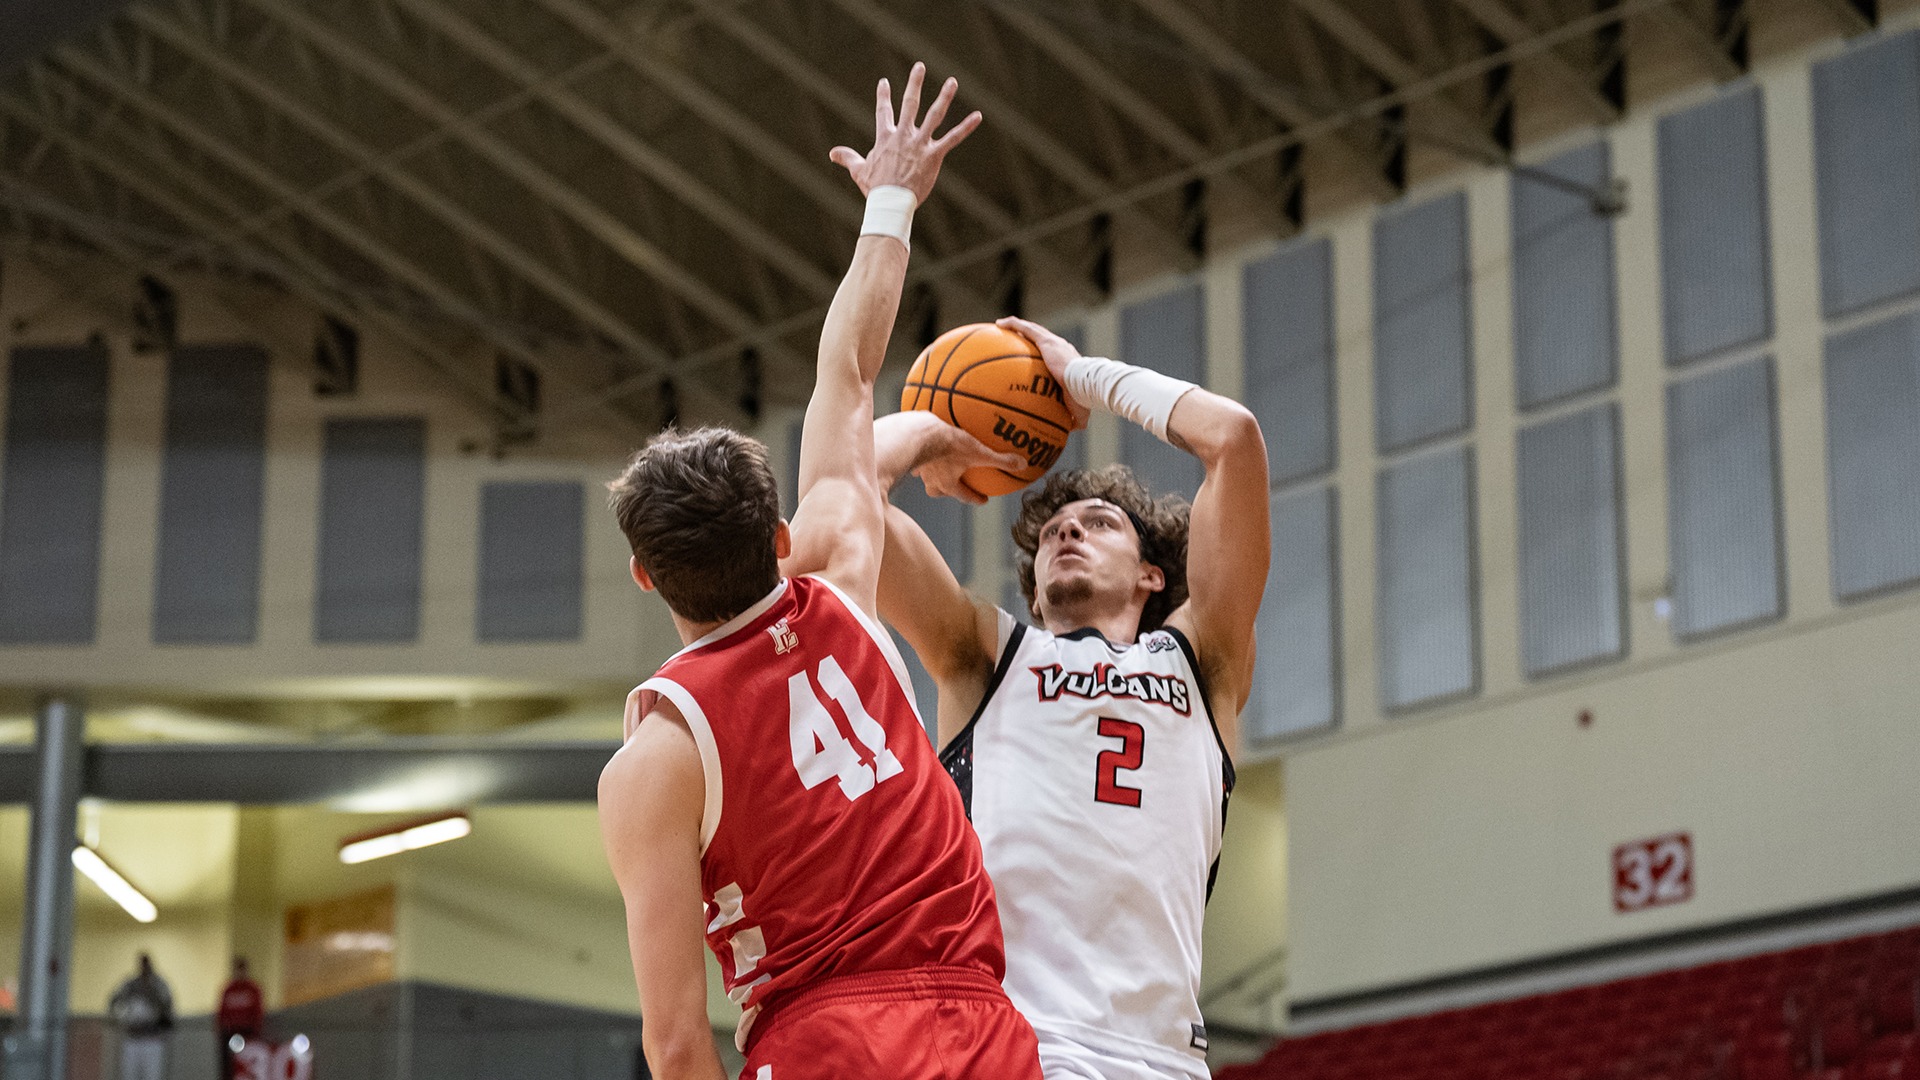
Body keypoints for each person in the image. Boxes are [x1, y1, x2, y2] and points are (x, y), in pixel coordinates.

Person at [597, 64, 1042, 1080]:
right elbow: (848, 371)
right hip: (977, 1022)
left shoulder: (655, 761)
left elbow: (675, 1041)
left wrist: (923, 437)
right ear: (779, 539)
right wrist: (892, 199)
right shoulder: (837, 568)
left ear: (645, 577)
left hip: (824, 1041)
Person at [872, 315, 1271, 1079]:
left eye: (1098, 523)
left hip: (1160, 1058)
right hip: (1014, 1044)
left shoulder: (1204, 659)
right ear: (1033, 585)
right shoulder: (988, 654)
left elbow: (1234, 438)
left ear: (1152, 574)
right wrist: (931, 435)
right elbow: (845, 497)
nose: (1067, 534)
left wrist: (1085, 377)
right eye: (1054, 530)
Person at [109, 953, 174, 1080]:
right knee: (130, 1074)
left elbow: (167, 1008)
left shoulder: (159, 985)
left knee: (152, 1075)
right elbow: (114, 1001)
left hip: (152, 1039)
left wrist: (151, 993)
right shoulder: (131, 984)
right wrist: (119, 1020)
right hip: (133, 1038)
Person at [216, 956, 265, 1079]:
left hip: (248, 1033)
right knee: (228, 1066)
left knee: (247, 1064)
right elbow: (221, 1013)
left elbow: (257, 1012)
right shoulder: (228, 990)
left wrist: (255, 1031)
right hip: (229, 1033)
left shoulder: (252, 989)